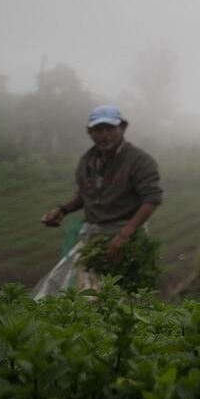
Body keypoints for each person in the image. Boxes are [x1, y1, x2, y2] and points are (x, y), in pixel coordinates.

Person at [32, 105, 163, 298]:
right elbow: (86, 194)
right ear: (90, 133)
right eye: (97, 130)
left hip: (127, 237)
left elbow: (151, 199)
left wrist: (124, 236)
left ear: (123, 128)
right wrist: (62, 210)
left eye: (110, 129)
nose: (104, 135)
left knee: (123, 297)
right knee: (70, 292)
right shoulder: (89, 160)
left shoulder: (139, 161)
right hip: (94, 236)